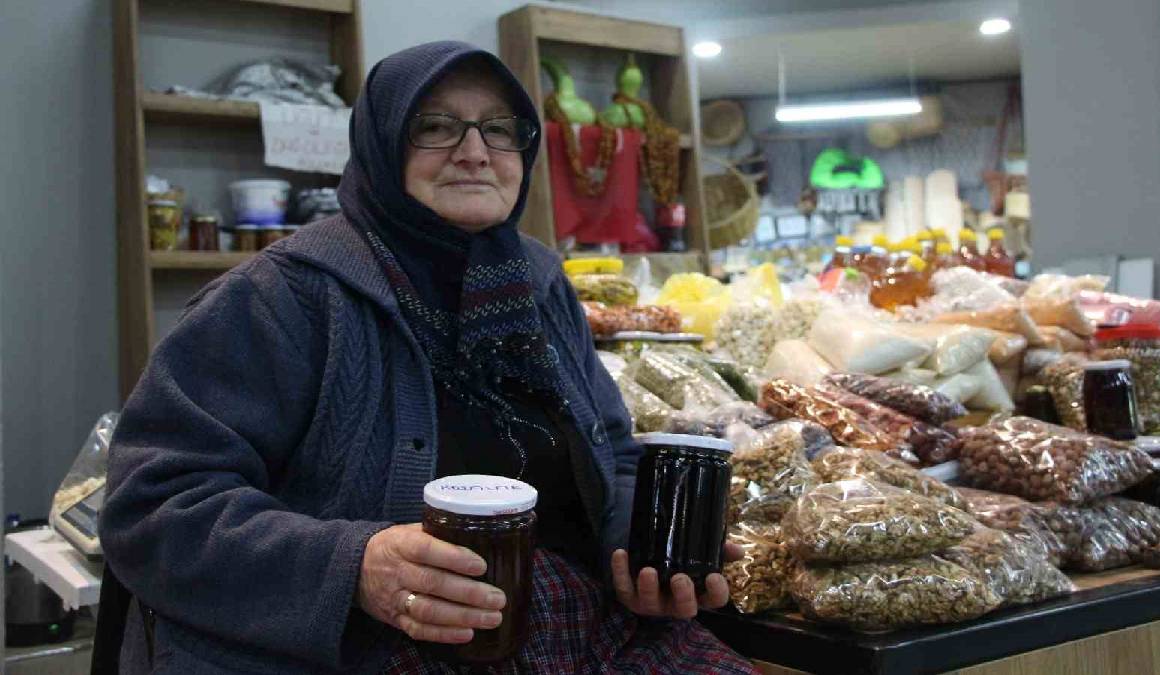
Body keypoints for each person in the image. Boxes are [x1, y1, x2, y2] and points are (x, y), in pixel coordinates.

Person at [99, 41, 755, 674]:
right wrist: (356, 566)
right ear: (382, 143)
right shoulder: (283, 297)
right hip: (373, 648)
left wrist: (639, 543)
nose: (475, 152)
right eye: (437, 127)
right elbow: (151, 505)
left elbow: (613, 453)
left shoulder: (538, 280)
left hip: (577, 622)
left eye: (500, 129)